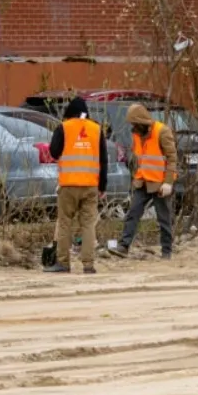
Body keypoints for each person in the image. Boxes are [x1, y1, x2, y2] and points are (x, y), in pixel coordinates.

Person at [44, 97, 108, 274]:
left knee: (65, 223)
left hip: (68, 185)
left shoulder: (63, 128)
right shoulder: (96, 129)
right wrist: (102, 185)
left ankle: (63, 263)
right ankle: (88, 265)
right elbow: (103, 160)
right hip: (90, 186)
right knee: (88, 225)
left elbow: (53, 152)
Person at [110, 103, 179, 260]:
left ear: (141, 121)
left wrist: (168, 182)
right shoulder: (136, 134)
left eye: (134, 122)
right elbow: (140, 158)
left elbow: (172, 158)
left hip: (160, 183)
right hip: (143, 181)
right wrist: (136, 177)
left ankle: (167, 251)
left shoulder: (162, 131)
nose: (133, 126)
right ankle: (124, 246)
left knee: (164, 218)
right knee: (133, 213)